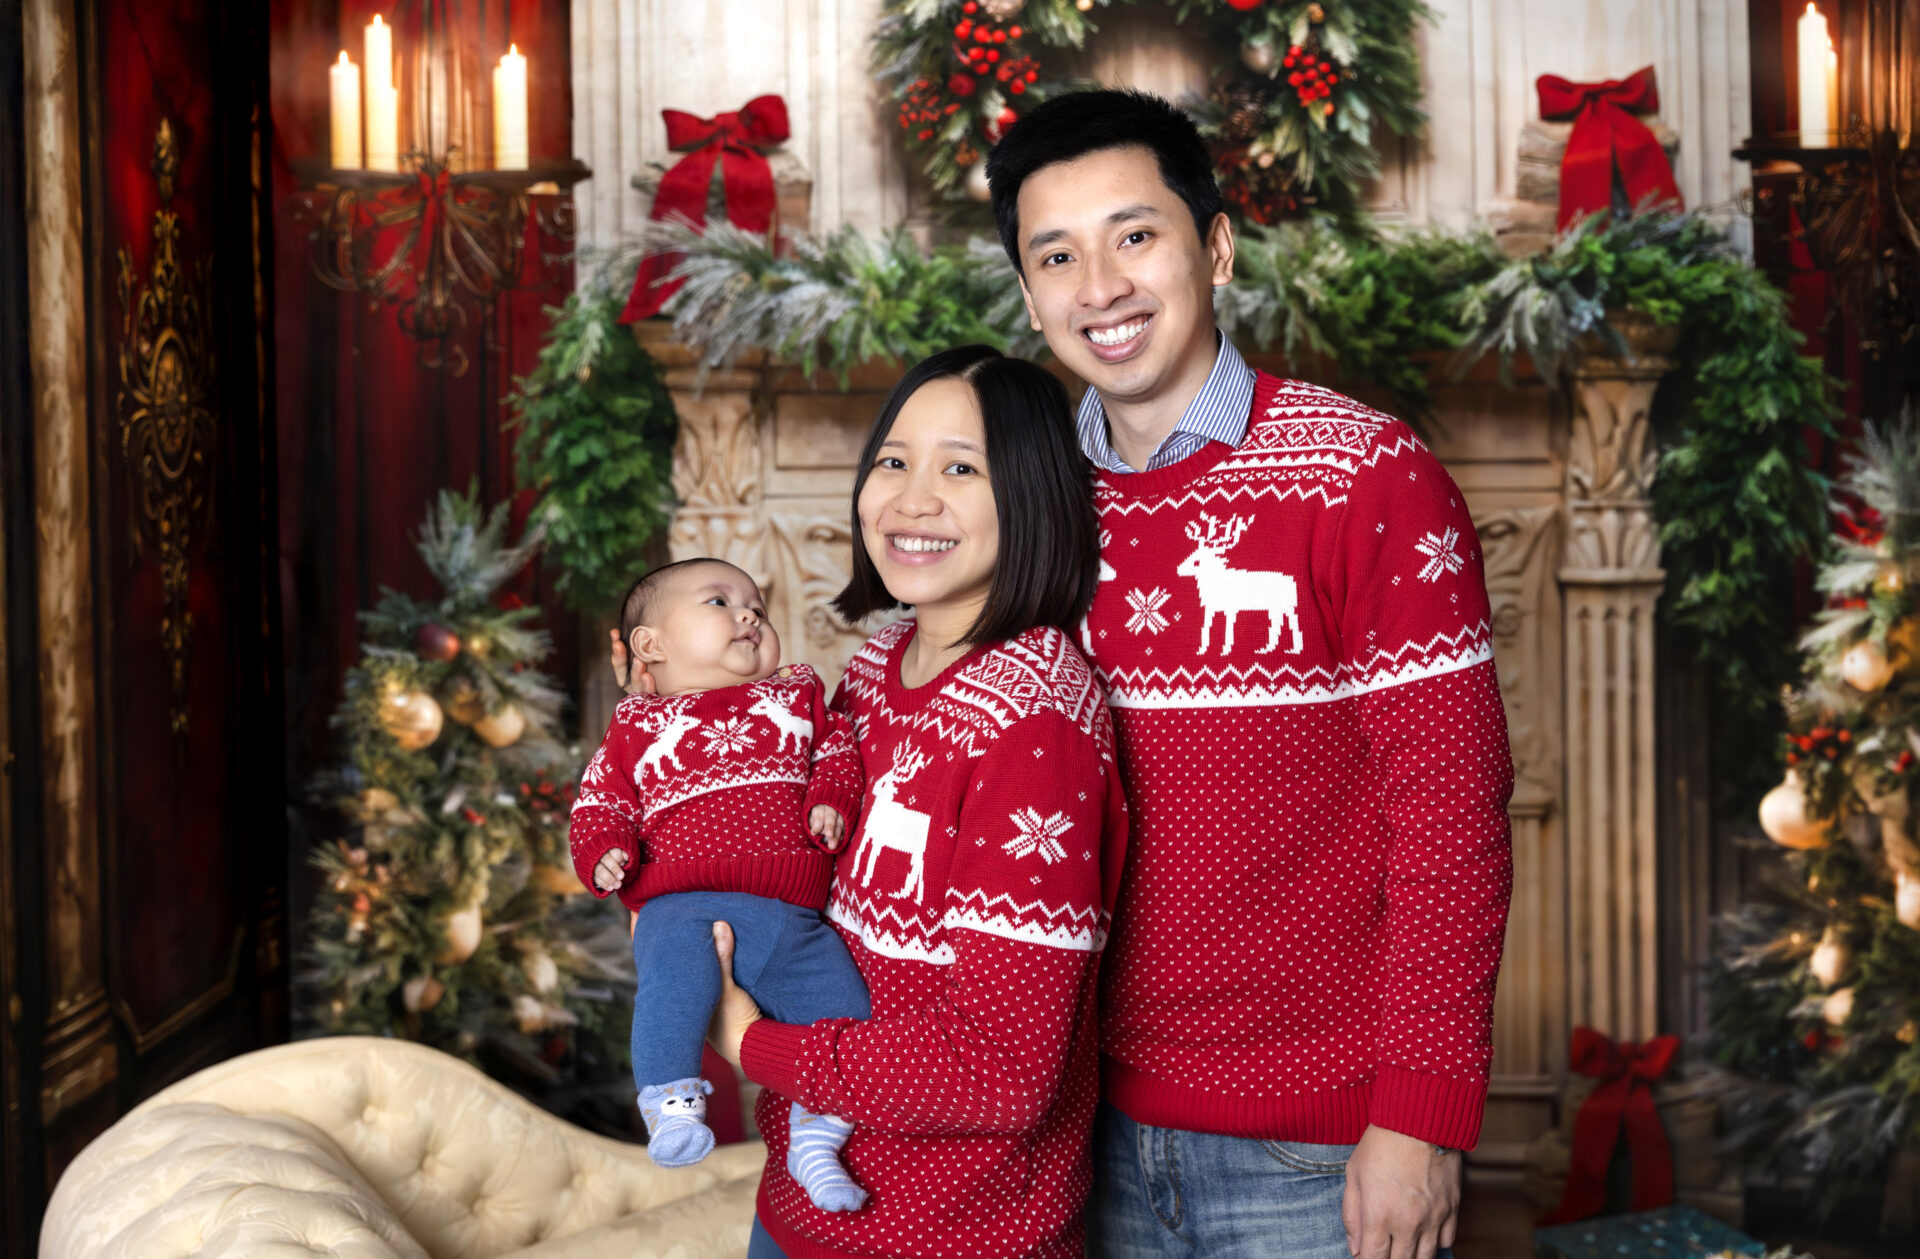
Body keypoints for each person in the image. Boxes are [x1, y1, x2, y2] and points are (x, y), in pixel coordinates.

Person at [982, 89, 1516, 1259]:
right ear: (1029, 293)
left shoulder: (1365, 475)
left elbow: (1452, 817)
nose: (1100, 288)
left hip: (1312, 1153)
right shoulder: (1023, 510)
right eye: (1057, 255)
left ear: (1214, 247)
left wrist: (1417, 1123)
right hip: (1077, 1134)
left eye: (1135, 236)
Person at [619, 345, 1129, 1258]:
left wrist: (752, 1046)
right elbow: (774, 851)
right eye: (892, 460)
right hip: (798, 1205)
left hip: (949, 1234)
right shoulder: (873, 668)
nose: (912, 499)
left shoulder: (1035, 725)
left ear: (1034, 495)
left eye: (961, 468)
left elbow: (1005, 1073)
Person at [569, 558, 872, 1210]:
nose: (749, 614)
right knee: (672, 990)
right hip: (682, 902)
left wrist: (831, 799)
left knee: (846, 1008)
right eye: (720, 601)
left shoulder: (797, 692)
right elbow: (600, 802)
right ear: (652, 645)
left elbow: (839, 750)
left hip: (794, 917)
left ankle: (817, 1137)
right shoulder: (636, 726)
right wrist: (603, 851)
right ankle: (672, 1100)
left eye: (757, 606)